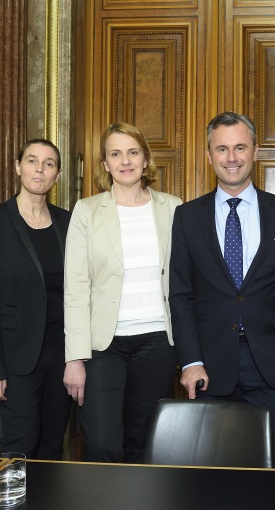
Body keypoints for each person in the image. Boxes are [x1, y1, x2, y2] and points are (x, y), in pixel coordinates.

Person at [169, 111, 275, 468]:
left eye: (240, 147)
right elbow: (181, 295)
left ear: (255, 151)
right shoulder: (188, 217)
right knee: (213, 469)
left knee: (271, 468)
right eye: (222, 149)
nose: (231, 157)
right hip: (210, 366)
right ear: (209, 155)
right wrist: (190, 361)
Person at [64, 122, 180, 462]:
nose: (125, 161)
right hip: (103, 347)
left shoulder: (173, 208)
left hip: (157, 343)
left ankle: (139, 499)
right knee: (101, 443)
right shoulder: (86, 211)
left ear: (145, 159)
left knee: (144, 443)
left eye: (132, 152)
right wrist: (74, 358)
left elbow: (186, 282)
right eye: (115, 154)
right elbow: (75, 289)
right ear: (105, 163)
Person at [0, 139, 71, 459]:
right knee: (18, 451)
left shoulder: (69, 223)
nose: (39, 169)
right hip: (14, 361)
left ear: (58, 174)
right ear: (17, 167)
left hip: (62, 358)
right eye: (31, 160)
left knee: (53, 449)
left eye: (49, 163)